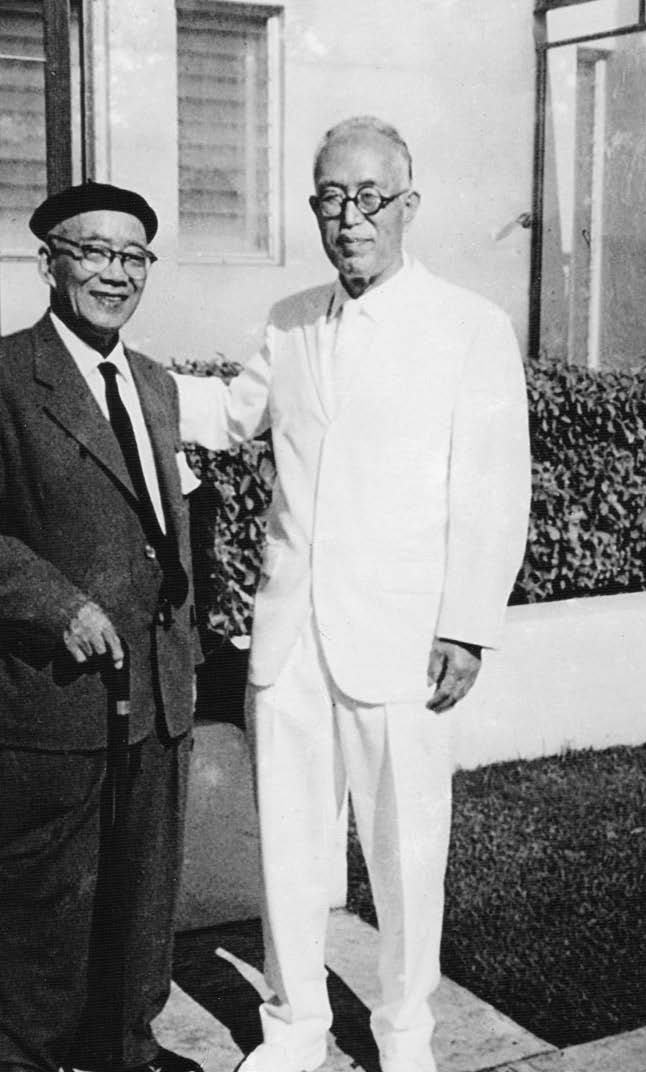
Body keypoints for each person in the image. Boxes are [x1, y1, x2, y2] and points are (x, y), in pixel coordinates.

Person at [173, 116, 532, 1072]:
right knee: (288, 850)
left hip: (405, 642)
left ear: (407, 207)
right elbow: (229, 413)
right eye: (330, 196)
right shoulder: (290, 321)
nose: (349, 216)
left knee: (408, 855)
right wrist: (110, 376)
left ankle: (404, 1037)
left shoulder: (469, 326)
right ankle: (294, 1030)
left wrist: (466, 626)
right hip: (290, 640)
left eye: (369, 196)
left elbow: (495, 490)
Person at [0, 183, 204, 1072]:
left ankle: (127, 1048)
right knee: (43, 910)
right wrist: (55, 603)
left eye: (133, 257)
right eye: (93, 252)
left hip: (156, 694)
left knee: (140, 898)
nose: (114, 274)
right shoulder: (7, 377)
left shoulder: (155, 382)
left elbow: (169, 525)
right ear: (49, 262)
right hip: (54, 699)